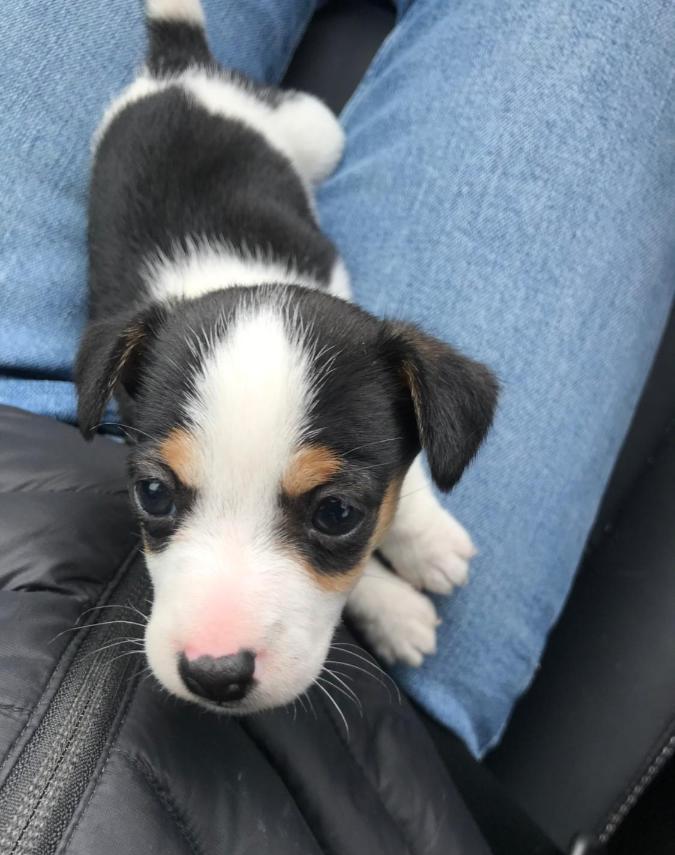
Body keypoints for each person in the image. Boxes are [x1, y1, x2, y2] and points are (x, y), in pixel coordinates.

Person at [1, 0, 673, 757]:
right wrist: (374, 590)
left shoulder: (358, 367)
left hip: (196, 183)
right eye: (159, 495)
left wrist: (409, 521)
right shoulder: (145, 355)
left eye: (329, 515)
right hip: (178, 176)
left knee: (318, 143)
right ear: (117, 392)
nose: (215, 649)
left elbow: (379, 457)